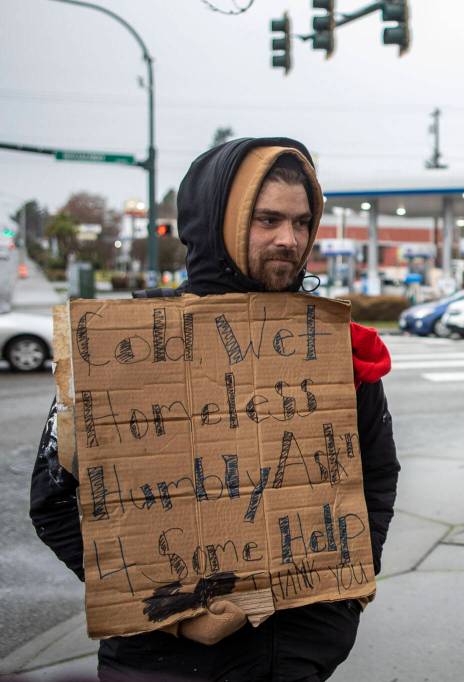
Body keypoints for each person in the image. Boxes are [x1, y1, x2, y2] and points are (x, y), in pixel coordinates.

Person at [30, 137, 401, 681]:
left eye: (301, 223)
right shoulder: (124, 345)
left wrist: (338, 600)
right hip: (162, 667)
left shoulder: (326, 344)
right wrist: (175, 614)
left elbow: (377, 475)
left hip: (298, 660)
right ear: (218, 223)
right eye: (268, 219)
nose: (288, 239)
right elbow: (53, 503)